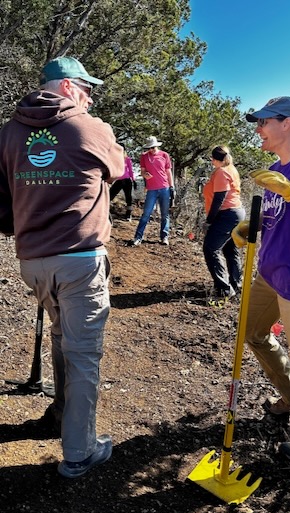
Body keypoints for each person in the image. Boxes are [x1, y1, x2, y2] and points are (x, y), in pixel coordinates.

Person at [0, 56, 124, 478]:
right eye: (86, 89)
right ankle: (79, 452)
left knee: (60, 336)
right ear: (68, 87)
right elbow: (120, 170)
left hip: (32, 261)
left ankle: (60, 414)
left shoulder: (9, 132)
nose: (89, 97)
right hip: (80, 260)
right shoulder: (91, 128)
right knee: (84, 354)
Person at [232, 96, 290, 469]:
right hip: (270, 274)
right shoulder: (273, 169)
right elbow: (278, 219)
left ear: (287, 123)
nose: (258, 129)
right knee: (251, 332)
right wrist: (250, 228)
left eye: (264, 122)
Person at [202, 146, 245, 307]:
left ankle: (224, 289)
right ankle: (236, 285)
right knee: (229, 249)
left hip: (227, 215)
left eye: (212, 159)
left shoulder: (221, 172)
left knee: (211, 248)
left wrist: (209, 221)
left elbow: (219, 198)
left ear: (215, 159)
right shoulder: (230, 169)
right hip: (235, 213)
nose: (211, 161)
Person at [131, 135, 174, 246]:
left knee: (165, 214)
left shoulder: (164, 155)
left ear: (156, 146)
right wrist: (146, 175)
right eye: (149, 148)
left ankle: (164, 236)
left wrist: (172, 187)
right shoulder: (144, 156)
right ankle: (138, 237)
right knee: (146, 213)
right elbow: (142, 171)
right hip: (151, 189)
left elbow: (168, 172)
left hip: (164, 187)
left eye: (153, 147)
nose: (151, 150)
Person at [110, 149, 136, 221]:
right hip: (119, 180)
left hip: (127, 180)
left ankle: (128, 214)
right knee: (110, 195)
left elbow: (130, 170)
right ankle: (105, 212)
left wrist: (133, 180)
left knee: (128, 197)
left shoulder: (127, 159)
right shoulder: (115, 159)